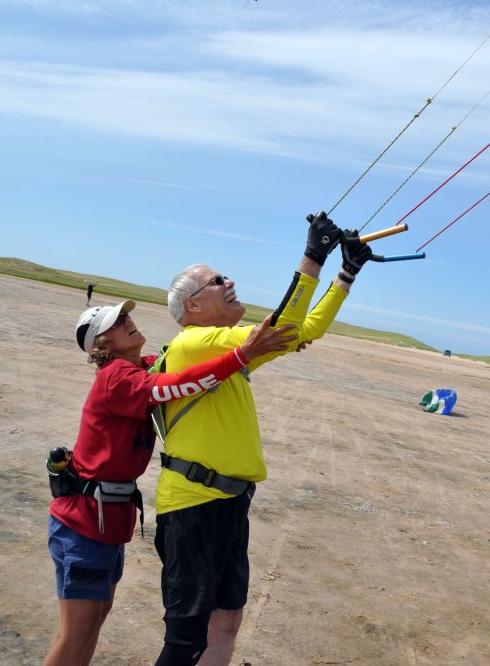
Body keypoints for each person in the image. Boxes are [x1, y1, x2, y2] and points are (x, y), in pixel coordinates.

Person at [152, 213, 372, 666]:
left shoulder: (229, 355)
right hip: (192, 506)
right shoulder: (194, 343)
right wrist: (312, 258)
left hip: (231, 504)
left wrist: (345, 275)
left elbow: (298, 331)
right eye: (216, 280)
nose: (229, 281)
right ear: (192, 307)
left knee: (226, 622)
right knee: (185, 641)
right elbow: (279, 327)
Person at [43, 300, 300, 666]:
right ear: (102, 345)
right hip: (84, 524)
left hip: (105, 522)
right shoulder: (116, 377)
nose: (129, 320)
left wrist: (276, 338)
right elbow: (176, 385)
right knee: (77, 631)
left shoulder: (141, 367)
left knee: (92, 624)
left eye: (126, 315)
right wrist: (243, 355)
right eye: (117, 322)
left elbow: (179, 364)